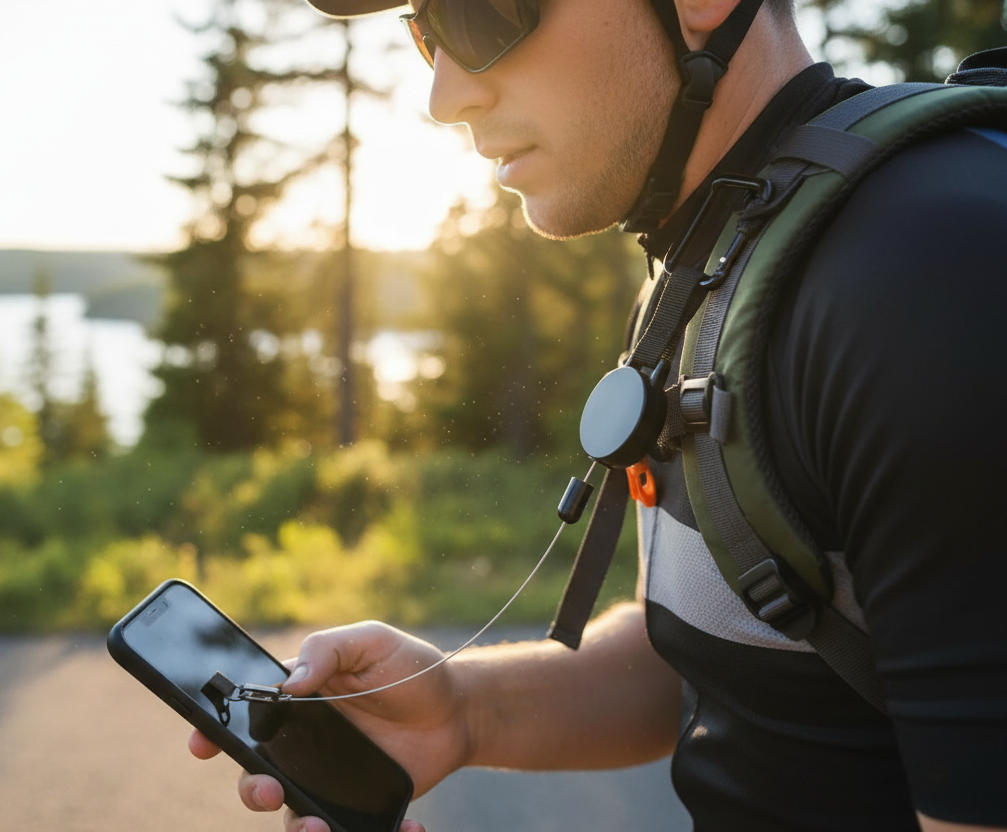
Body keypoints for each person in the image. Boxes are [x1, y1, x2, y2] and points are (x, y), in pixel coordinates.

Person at [188, 0, 1007, 828]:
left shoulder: (927, 286)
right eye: (426, 31)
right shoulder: (720, 258)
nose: (443, 96)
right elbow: (725, 655)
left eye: (478, 14)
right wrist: (463, 710)